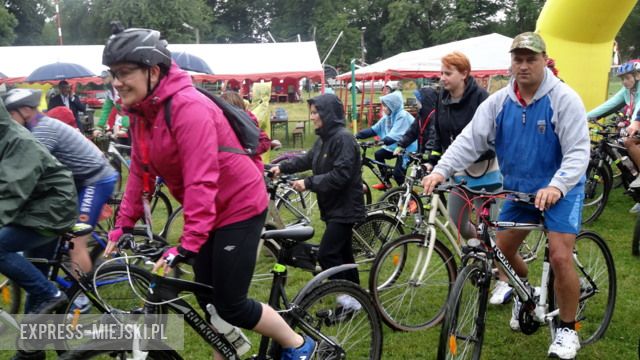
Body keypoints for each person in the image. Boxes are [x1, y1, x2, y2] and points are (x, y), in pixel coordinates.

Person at [100, 27, 316, 359]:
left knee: (232, 303)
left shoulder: (188, 107)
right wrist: (124, 224)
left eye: (125, 72)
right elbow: (139, 173)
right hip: (211, 210)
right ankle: (230, 348)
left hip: (240, 205)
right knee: (206, 295)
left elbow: (201, 178)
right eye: (113, 73)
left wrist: (189, 242)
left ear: (153, 71)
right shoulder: (143, 114)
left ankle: (299, 346)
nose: (117, 81)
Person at [421, 32, 590, 359]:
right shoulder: (498, 102)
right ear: (510, 63)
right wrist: (441, 170)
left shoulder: (563, 99)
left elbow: (578, 151)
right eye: (518, 59)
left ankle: (567, 329)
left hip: (561, 189)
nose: (524, 66)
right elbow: (469, 140)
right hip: (520, 191)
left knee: (558, 255)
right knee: (501, 250)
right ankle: (527, 292)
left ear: (544, 61)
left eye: (531, 59)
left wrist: (557, 186)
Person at [3, 89, 118, 309]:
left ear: (26, 110)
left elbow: (28, 174)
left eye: (10, 114)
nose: (9, 120)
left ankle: (81, 297)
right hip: (76, 183)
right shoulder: (34, 127)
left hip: (95, 180)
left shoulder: (42, 131)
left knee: (77, 242)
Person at [269, 93, 366, 318]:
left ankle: (349, 301)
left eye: (315, 112)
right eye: (311, 112)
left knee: (327, 254)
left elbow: (340, 175)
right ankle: (357, 299)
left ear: (328, 114)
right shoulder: (324, 138)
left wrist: (309, 182)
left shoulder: (343, 139)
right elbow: (307, 160)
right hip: (333, 207)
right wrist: (282, 167)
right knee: (343, 256)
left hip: (345, 208)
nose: (312, 117)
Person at [0, 95, 78, 317]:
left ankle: (51, 294)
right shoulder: (3, 138)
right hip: (35, 209)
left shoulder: (17, 141)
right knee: (36, 275)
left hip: (50, 211)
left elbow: (10, 191)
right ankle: (32, 350)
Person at [587, 59, 640, 212]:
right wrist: (584, 116)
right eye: (622, 79)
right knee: (620, 144)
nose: (624, 82)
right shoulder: (627, 92)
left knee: (629, 142)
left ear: (636, 76)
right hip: (636, 124)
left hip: (638, 123)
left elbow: (639, 108)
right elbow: (608, 105)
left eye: (627, 78)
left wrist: (634, 124)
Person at [355, 91, 417, 188]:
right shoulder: (387, 117)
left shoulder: (402, 116)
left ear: (392, 106)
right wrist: (355, 136)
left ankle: (409, 198)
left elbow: (393, 137)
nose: (382, 108)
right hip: (396, 147)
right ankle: (386, 181)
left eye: (385, 106)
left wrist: (377, 142)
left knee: (398, 175)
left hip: (408, 148)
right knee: (378, 154)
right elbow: (373, 130)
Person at [220, 90, 275, 170]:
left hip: (251, 167)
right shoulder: (224, 120)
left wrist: (248, 152)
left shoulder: (246, 121)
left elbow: (265, 141)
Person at [395, 86, 438, 154]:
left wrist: (428, 151)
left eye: (417, 100)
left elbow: (434, 137)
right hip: (421, 151)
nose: (416, 102)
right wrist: (401, 145)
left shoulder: (435, 116)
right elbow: (412, 132)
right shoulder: (421, 115)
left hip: (431, 155)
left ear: (425, 101)